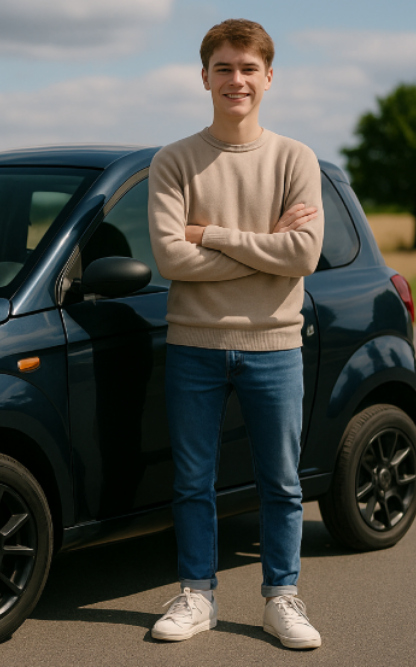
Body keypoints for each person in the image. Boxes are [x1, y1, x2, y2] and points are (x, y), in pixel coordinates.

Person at [147, 18, 324, 649]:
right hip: (192, 345)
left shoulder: (295, 159)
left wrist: (213, 235)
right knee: (192, 483)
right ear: (204, 78)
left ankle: (282, 598)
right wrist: (267, 247)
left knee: (281, 483)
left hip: (274, 345)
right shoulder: (173, 161)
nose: (236, 80)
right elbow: (171, 259)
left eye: (249, 69)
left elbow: (304, 255)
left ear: (269, 77)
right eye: (223, 68)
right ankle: (198, 596)